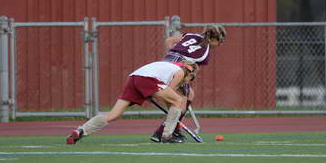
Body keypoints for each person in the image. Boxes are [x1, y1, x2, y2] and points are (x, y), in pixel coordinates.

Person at [66, 60, 198, 145]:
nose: (187, 83)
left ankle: (80, 131)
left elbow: (165, 95)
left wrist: (149, 93)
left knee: (113, 115)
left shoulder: (169, 67)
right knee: (178, 100)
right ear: (189, 73)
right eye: (190, 80)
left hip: (134, 79)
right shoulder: (181, 72)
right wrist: (172, 110)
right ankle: (167, 136)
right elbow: (171, 94)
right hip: (147, 80)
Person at [149, 24, 227, 143]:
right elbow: (190, 70)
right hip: (178, 70)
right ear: (212, 39)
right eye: (219, 42)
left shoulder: (191, 35)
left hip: (165, 64)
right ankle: (162, 133)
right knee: (181, 103)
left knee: (188, 95)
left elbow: (169, 40)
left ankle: (173, 130)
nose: (220, 45)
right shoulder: (204, 53)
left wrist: (171, 55)